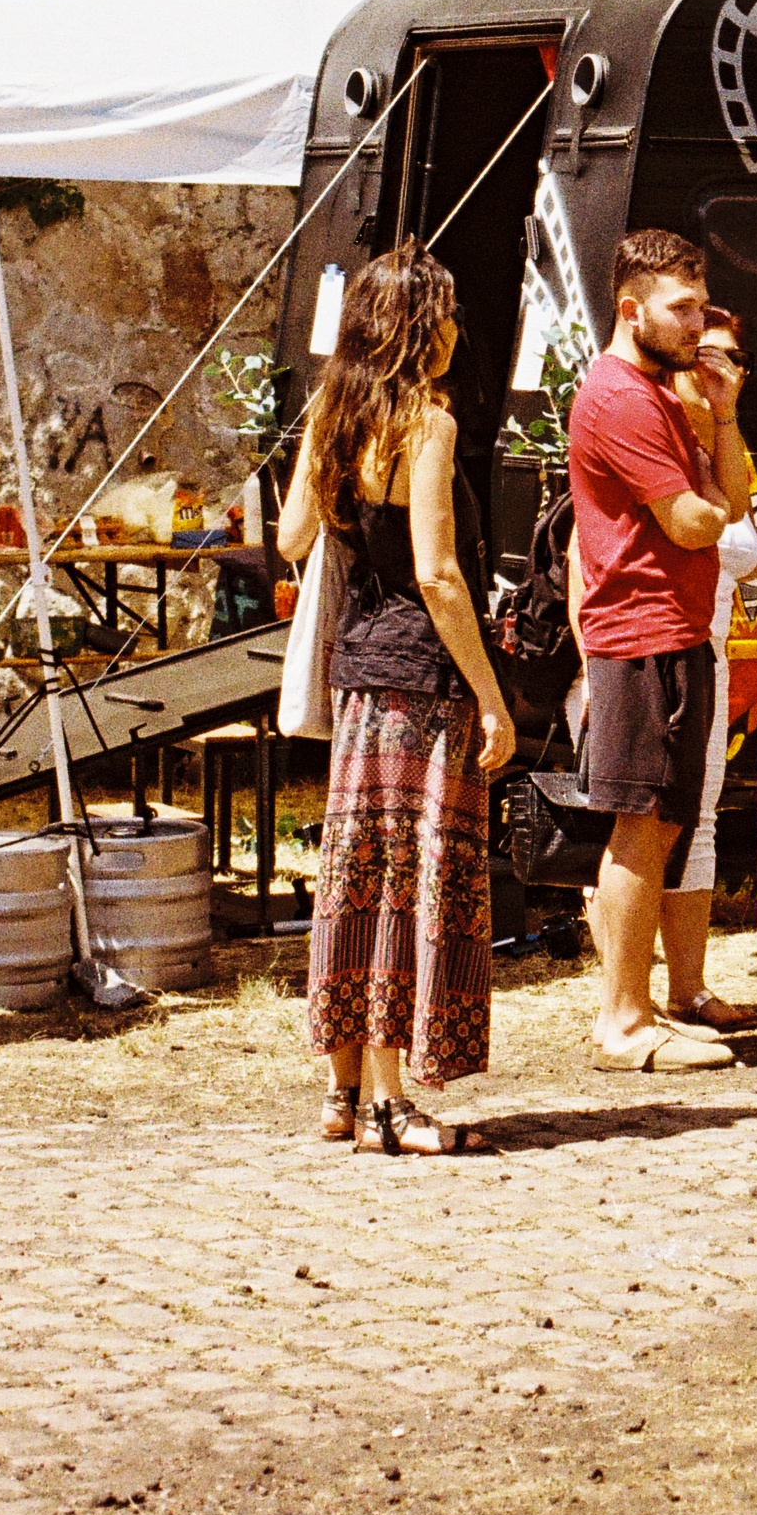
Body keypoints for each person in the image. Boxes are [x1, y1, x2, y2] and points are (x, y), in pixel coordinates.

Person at [279, 242, 518, 1153]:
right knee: (412, 885)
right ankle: (392, 1106)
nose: (457, 329)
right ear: (422, 328)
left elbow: (292, 538)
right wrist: (491, 697)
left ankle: (343, 1092)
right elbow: (439, 574)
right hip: (422, 681)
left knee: (358, 877)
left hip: (358, 682)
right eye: (447, 314)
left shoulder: (332, 414)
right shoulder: (429, 422)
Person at [568, 229, 743, 1074]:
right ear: (631, 309)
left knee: (660, 823)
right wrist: (708, 498)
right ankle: (624, 1021)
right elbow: (695, 522)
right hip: (643, 634)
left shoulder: (664, 396)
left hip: (672, 630)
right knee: (640, 828)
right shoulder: (622, 398)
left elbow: (731, 504)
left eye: (701, 305)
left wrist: (725, 419)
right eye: (681, 308)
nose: (697, 323)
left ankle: (636, 1011)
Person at [654, 305, 757, 1035]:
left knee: (698, 822)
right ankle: (627, 999)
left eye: (733, 358)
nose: (717, 367)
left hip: (707, 654)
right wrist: (595, 666)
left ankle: (687, 991)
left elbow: (746, 557)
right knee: (640, 824)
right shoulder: (654, 431)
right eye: (704, 352)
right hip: (646, 655)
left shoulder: (722, 445)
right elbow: (585, 558)